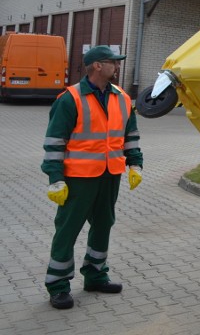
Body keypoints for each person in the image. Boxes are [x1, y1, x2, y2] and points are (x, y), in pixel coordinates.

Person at [41, 45, 143, 310]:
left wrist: (136, 165)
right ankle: (58, 286)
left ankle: (96, 275)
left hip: (110, 175)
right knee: (67, 230)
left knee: (103, 224)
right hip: (78, 179)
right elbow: (54, 142)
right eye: (113, 62)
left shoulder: (121, 97)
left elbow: (130, 135)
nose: (117, 67)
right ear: (97, 66)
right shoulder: (70, 99)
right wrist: (55, 178)